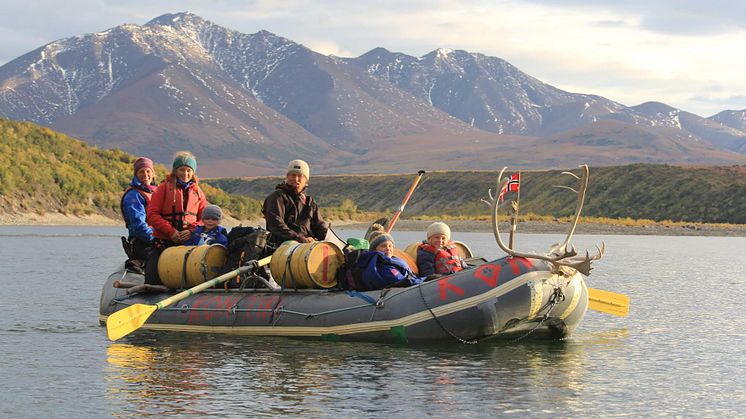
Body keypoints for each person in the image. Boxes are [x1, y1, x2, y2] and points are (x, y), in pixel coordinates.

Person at [145, 151, 208, 285]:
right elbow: (152, 215)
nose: (185, 174)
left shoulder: (198, 193)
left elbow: (204, 219)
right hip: (163, 242)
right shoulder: (162, 188)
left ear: (193, 172)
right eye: (181, 170)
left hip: (188, 244)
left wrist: (191, 231)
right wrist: (171, 231)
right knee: (152, 281)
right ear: (175, 170)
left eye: (188, 170)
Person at [262, 159, 329, 246]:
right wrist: (300, 239)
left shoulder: (309, 202)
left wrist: (330, 239)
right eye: (293, 175)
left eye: (300, 176)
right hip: (283, 247)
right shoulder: (276, 198)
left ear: (306, 180)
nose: (296, 179)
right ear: (287, 176)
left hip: (306, 247)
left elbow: (319, 227)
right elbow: (276, 226)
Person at [120, 156, 157, 274]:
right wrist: (155, 240)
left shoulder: (157, 192)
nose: (145, 175)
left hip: (159, 238)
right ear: (136, 174)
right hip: (142, 242)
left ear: (153, 174)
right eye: (141, 172)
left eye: (148, 171)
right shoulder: (133, 196)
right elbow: (139, 225)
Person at [356, 226, 423, 291]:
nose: (388, 249)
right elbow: (401, 281)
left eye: (390, 246)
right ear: (374, 250)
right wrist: (426, 280)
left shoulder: (391, 261)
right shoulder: (380, 266)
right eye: (383, 246)